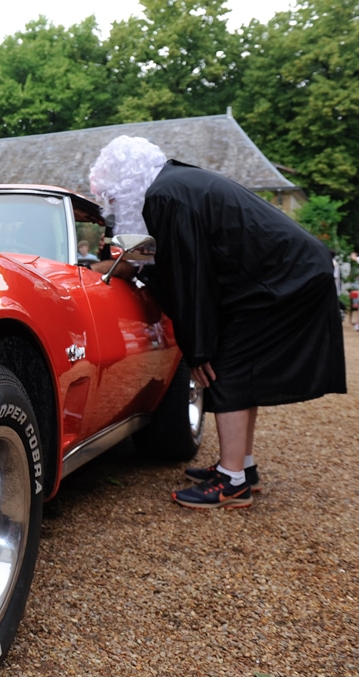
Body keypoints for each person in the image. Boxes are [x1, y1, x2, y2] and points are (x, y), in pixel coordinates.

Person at [88, 135, 347, 509]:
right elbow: (176, 265)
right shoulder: (171, 185)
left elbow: (192, 279)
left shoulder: (164, 197)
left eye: (111, 199)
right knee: (242, 370)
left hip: (283, 279)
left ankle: (232, 483)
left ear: (125, 186)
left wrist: (199, 349)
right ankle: (242, 468)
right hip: (288, 272)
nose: (112, 210)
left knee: (226, 369)